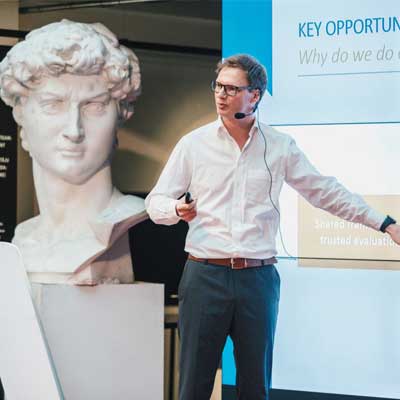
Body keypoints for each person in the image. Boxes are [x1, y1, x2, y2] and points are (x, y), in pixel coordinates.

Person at [146, 54, 400, 399]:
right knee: (194, 385)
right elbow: (155, 202)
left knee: (255, 387)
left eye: (231, 89)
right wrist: (175, 209)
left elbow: (324, 191)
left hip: (258, 279)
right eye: (218, 86)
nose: (221, 95)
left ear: (255, 95)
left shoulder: (279, 146)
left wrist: (384, 223)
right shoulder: (194, 144)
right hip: (205, 276)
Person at [0, 20, 147, 285]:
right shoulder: (23, 238)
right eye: (52, 104)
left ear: (120, 114)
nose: (74, 130)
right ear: (20, 113)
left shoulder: (124, 222)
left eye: (94, 106)